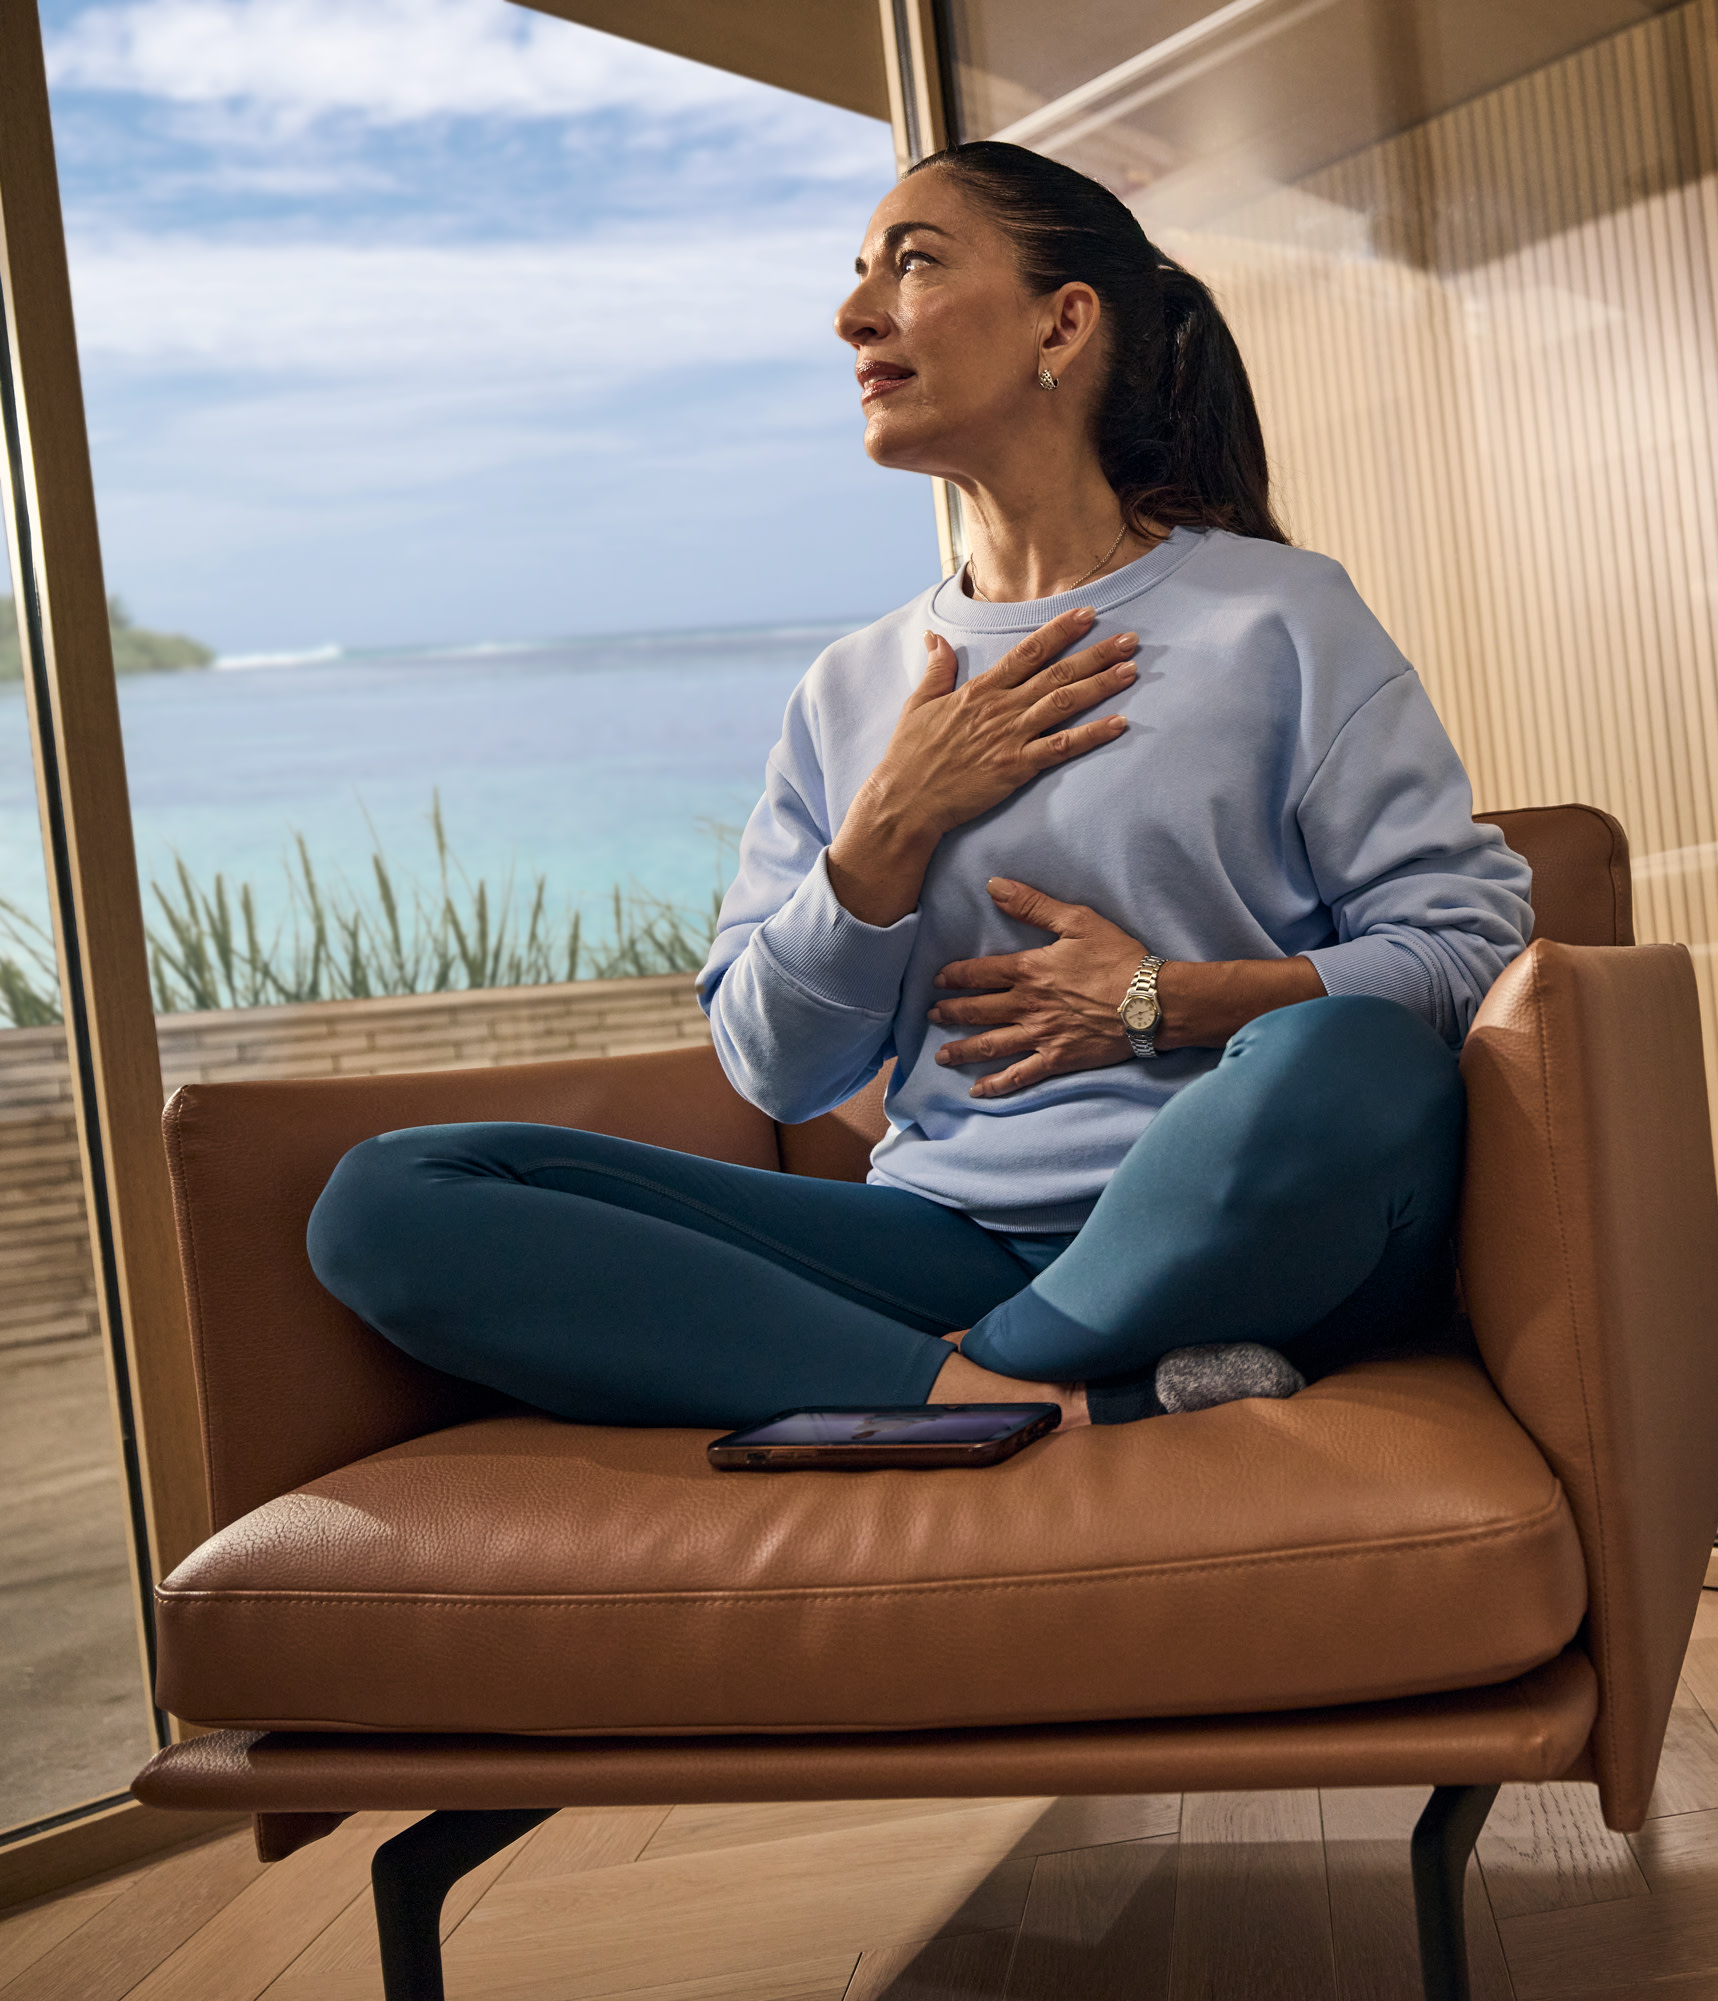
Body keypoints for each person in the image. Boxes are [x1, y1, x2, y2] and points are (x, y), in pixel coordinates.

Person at [307, 142, 1532, 1431]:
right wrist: (885, 832)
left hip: (1258, 1230)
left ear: (1064, 321)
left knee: (1351, 1059)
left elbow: (1465, 953)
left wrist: (1162, 1002)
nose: (853, 315)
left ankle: (945, 1381)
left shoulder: (1276, 618)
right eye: (856, 276)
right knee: (392, 1198)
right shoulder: (852, 690)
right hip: (947, 1237)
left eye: (914, 263)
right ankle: (1041, 1391)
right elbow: (774, 1070)